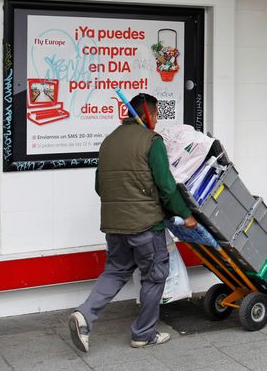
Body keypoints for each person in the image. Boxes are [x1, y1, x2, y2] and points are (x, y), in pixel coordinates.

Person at [68, 93, 198, 353]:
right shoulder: (151, 141)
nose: (158, 120)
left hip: (114, 226)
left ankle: (84, 316)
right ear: (148, 114)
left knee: (115, 271)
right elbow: (166, 186)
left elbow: (99, 186)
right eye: (157, 115)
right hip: (145, 227)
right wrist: (186, 214)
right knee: (154, 275)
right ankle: (144, 333)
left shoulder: (109, 141)